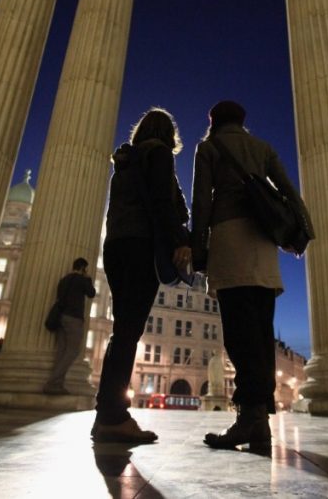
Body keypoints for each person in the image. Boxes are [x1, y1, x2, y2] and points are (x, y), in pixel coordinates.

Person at [190, 100, 310, 452]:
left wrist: (199, 249)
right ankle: (259, 421)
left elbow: (202, 202)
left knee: (239, 336)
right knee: (260, 332)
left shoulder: (209, 147)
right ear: (243, 121)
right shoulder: (263, 148)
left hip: (228, 240)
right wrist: (301, 233)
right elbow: (289, 191)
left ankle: (249, 418)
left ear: (213, 121)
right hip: (263, 245)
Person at [93, 108, 191, 443]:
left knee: (121, 332)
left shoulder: (124, 161)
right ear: (168, 134)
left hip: (116, 247)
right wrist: (180, 240)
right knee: (128, 332)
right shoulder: (159, 154)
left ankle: (105, 413)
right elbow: (164, 204)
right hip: (140, 246)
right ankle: (113, 416)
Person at [43, 257, 96, 395]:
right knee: (73, 351)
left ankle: (57, 385)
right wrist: (88, 278)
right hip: (74, 318)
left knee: (61, 351)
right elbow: (91, 293)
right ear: (83, 268)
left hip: (61, 318)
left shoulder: (64, 280)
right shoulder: (82, 280)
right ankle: (53, 382)